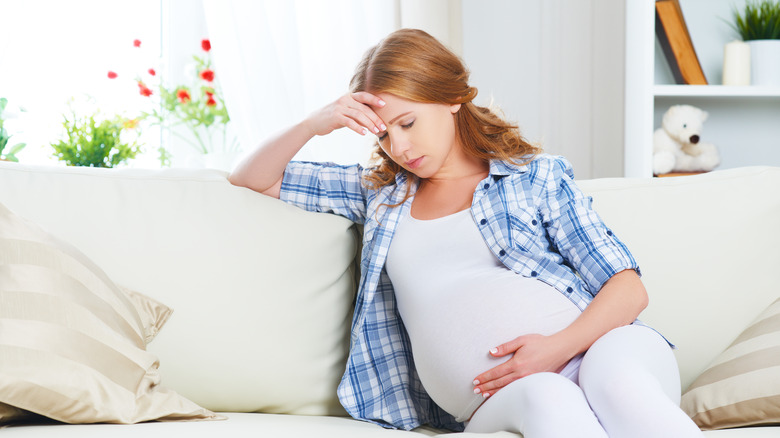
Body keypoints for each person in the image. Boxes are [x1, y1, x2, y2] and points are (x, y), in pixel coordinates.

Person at [229, 28, 703, 437]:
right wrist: (317, 123)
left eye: (408, 122)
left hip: (604, 347)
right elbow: (254, 177)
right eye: (383, 134)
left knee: (615, 383)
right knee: (549, 399)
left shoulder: (533, 176)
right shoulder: (380, 195)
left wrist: (557, 347)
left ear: (452, 99)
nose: (400, 146)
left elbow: (628, 289)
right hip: (501, 395)